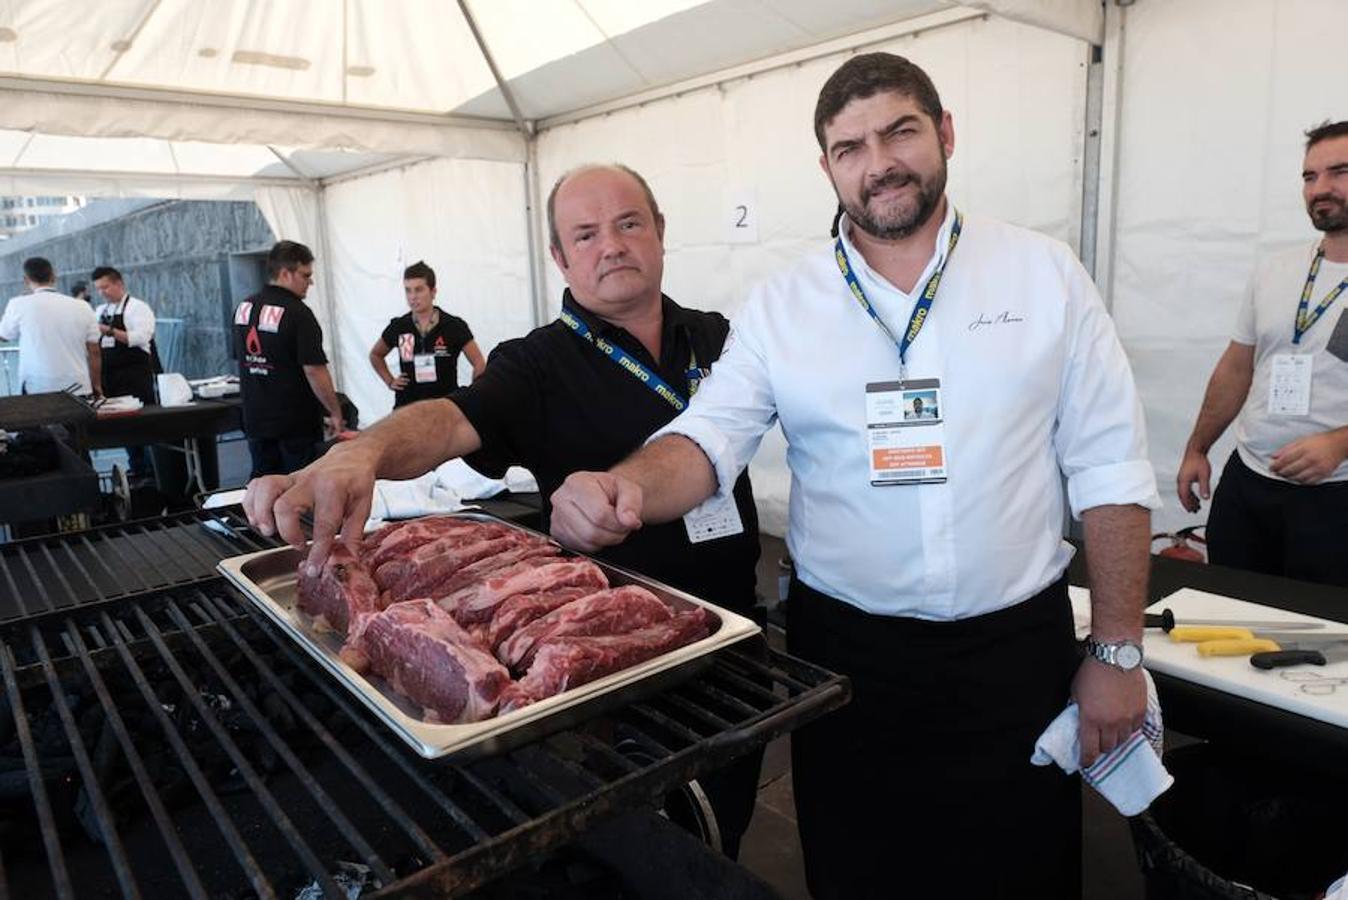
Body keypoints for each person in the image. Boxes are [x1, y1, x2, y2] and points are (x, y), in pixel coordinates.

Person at [548, 54, 1159, 900]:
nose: (880, 163)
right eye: (850, 147)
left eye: (900, 131)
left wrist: (1119, 652)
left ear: (944, 133)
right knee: (860, 873)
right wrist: (627, 488)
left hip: (1016, 653)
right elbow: (707, 436)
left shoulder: (1043, 275)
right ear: (828, 166)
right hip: (850, 661)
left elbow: (1112, 469)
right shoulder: (784, 305)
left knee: (1025, 874)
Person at [243, 164, 764, 859]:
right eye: (585, 234)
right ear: (559, 256)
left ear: (660, 231)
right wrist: (362, 451)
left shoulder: (719, 337)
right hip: (600, 655)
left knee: (725, 821)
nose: (610, 245)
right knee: (639, 850)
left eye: (628, 223)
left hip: (731, 630)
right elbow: (450, 419)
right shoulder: (537, 363)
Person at [1178, 121, 1348, 587]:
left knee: (1325, 640)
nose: (1321, 189)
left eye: (1339, 172)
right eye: (1310, 177)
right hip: (1250, 483)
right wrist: (1198, 446)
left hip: (1336, 494)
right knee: (1231, 607)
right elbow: (1237, 367)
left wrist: (1340, 443)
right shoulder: (1277, 269)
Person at [234, 240, 343, 478]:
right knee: (298, 489)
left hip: (256, 419)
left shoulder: (244, 308)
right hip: (293, 425)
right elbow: (314, 370)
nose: (310, 282)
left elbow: (243, 359)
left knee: (263, 488)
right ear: (285, 273)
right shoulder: (298, 313)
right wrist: (334, 410)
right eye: (305, 275)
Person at [367, 260, 485, 407]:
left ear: (433, 291)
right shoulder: (399, 326)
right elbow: (376, 355)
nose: (412, 296)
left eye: (419, 289)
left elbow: (479, 361)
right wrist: (390, 381)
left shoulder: (453, 326)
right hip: (407, 408)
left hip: (444, 408)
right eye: (408, 290)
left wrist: (473, 394)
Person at [91, 266, 157, 478]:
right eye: (99, 289)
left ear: (119, 284)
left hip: (135, 375)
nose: (103, 292)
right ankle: (136, 467)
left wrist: (108, 330)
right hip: (111, 377)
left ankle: (152, 470)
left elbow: (141, 337)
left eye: (106, 287)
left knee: (143, 425)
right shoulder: (100, 311)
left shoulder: (138, 307)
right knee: (124, 427)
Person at [0, 257, 101, 396]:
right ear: (54, 276)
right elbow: (94, 352)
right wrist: (96, 385)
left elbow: (4, 335)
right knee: (76, 418)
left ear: (26, 280)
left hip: (37, 386)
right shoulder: (83, 306)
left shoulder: (18, 304)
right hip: (78, 387)